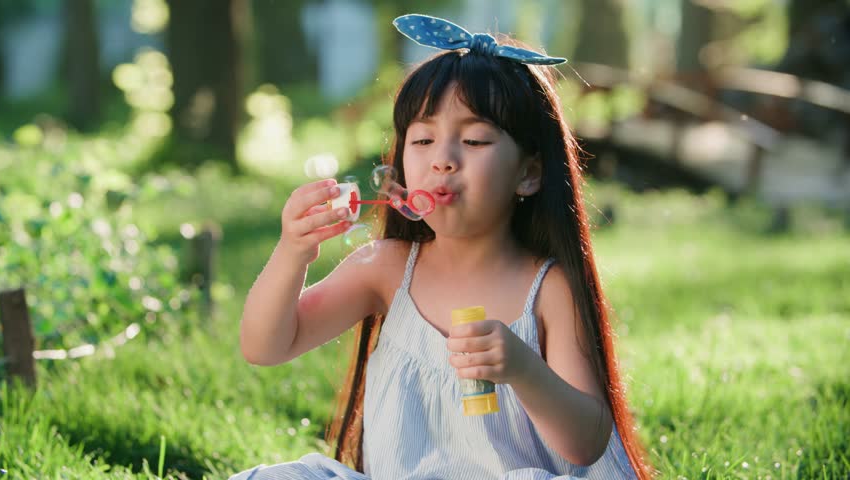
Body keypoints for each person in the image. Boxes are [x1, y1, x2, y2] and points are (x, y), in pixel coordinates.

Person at [232, 14, 652, 480]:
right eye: (423, 139)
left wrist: (524, 369)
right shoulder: (386, 269)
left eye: (473, 140)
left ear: (529, 173)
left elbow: (585, 444)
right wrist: (292, 253)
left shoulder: (547, 287)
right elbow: (265, 346)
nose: (443, 161)